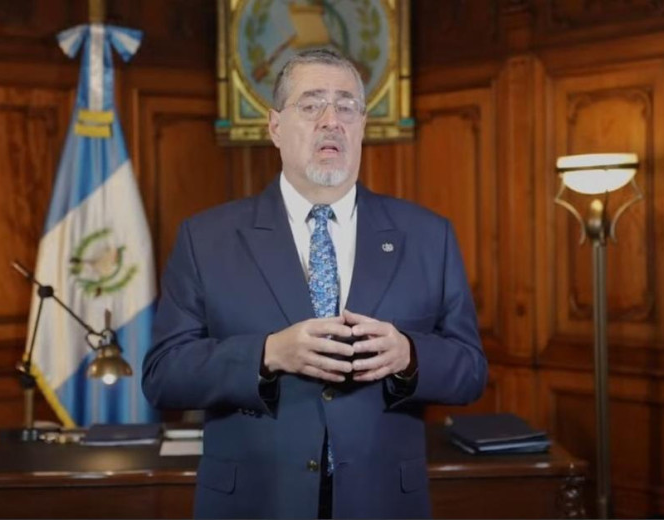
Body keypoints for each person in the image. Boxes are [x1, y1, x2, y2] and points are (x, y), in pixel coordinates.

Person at [142, 49, 487, 519]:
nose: (331, 121)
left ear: (362, 126)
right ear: (275, 126)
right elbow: (163, 375)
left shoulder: (428, 236)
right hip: (255, 503)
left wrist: (409, 356)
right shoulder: (206, 238)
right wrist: (267, 354)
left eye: (346, 106)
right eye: (311, 105)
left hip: (382, 502)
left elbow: (471, 371)